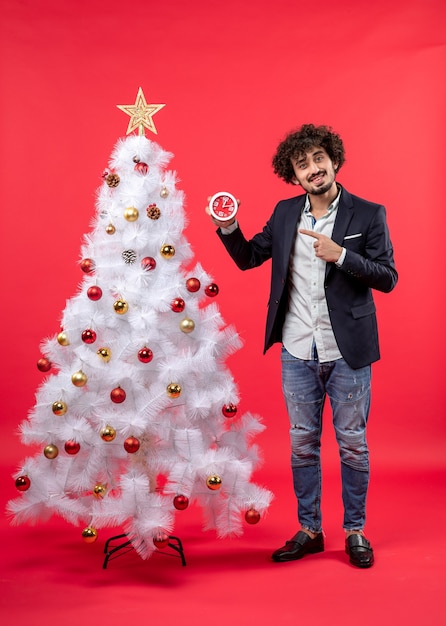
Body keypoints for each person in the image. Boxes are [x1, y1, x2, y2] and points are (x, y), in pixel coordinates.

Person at [206, 124, 397, 568]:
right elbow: (250, 257)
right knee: (302, 445)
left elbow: (388, 277)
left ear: (333, 159)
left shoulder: (368, 214)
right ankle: (310, 530)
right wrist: (228, 226)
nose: (313, 169)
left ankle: (355, 531)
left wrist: (343, 256)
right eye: (302, 163)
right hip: (296, 351)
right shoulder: (286, 212)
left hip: (347, 352)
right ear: (293, 174)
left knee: (352, 444)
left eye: (318, 158)